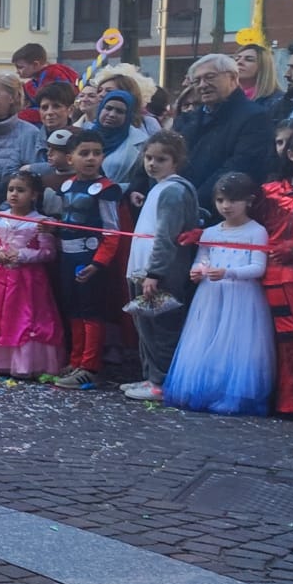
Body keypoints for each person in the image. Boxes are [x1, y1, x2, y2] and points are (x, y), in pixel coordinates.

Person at [162, 174, 273, 416]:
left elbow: (258, 267)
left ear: (249, 200)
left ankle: (230, 394)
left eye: (233, 200)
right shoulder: (210, 232)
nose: (226, 206)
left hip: (241, 297)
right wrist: (197, 271)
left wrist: (228, 273)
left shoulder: (256, 232)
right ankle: (204, 389)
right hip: (210, 295)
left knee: (235, 343)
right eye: (221, 200)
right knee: (206, 339)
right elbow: (202, 258)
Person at [120, 132, 201, 403]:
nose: (152, 164)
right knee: (145, 327)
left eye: (161, 159)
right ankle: (150, 376)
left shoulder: (173, 191)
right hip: (142, 268)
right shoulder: (159, 188)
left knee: (161, 328)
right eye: (149, 158)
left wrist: (154, 272)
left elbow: (166, 236)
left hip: (159, 273)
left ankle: (162, 381)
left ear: (175, 161)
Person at [0, 170, 65, 377]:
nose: (14, 194)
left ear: (34, 195)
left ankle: (24, 363)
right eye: (11, 190)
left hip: (28, 280)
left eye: (21, 190)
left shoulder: (40, 223)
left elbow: (48, 252)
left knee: (25, 317)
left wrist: (23, 255)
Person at [49, 128, 131, 389]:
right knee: (73, 308)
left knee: (90, 311)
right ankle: (76, 359)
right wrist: (50, 228)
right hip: (68, 256)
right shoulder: (67, 185)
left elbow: (112, 230)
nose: (91, 158)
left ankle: (90, 365)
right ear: (70, 158)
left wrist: (98, 263)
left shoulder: (107, 189)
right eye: (84, 153)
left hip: (90, 258)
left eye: (96, 153)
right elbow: (65, 220)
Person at [257, 127, 293, 419]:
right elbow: (241, 222)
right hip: (274, 277)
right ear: (291, 154)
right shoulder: (270, 192)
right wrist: (206, 235)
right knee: (286, 336)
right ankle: (292, 401)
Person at [174, 53, 276, 208]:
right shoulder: (191, 118)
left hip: (220, 208)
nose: (202, 85)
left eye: (210, 77)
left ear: (233, 77)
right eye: (197, 81)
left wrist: (194, 201)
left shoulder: (255, 117)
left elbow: (241, 166)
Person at [11, 41, 79, 102]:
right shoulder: (38, 78)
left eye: (20, 67)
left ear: (35, 64)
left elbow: (47, 101)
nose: (17, 71)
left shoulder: (51, 75)